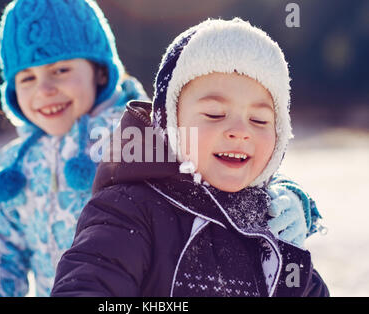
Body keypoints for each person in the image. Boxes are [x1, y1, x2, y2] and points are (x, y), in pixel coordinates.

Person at [51, 18, 329, 297]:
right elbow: (88, 284)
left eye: (259, 119)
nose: (240, 132)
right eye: (214, 114)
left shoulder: (271, 224)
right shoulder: (129, 209)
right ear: (170, 123)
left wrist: (292, 254)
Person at [0, 0, 148, 297]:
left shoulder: (133, 142)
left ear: (100, 72)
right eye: (27, 78)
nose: (44, 90)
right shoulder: (16, 164)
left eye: (60, 70)